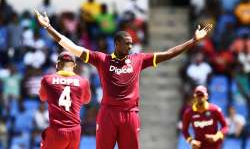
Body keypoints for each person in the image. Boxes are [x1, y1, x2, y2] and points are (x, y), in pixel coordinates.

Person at [34, 9, 212, 149]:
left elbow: (169, 53)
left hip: (130, 114)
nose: (131, 45)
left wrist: (193, 41)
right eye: (127, 42)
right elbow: (71, 47)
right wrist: (48, 27)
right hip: (107, 114)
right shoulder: (102, 59)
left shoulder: (138, 59)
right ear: (117, 44)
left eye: (131, 42)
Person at [39, 51, 91, 149]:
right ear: (74, 65)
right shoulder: (83, 82)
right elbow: (86, 100)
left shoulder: (47, 79)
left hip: (57, 130)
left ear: (57, 64)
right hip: (75, 131)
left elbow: (42, 97)